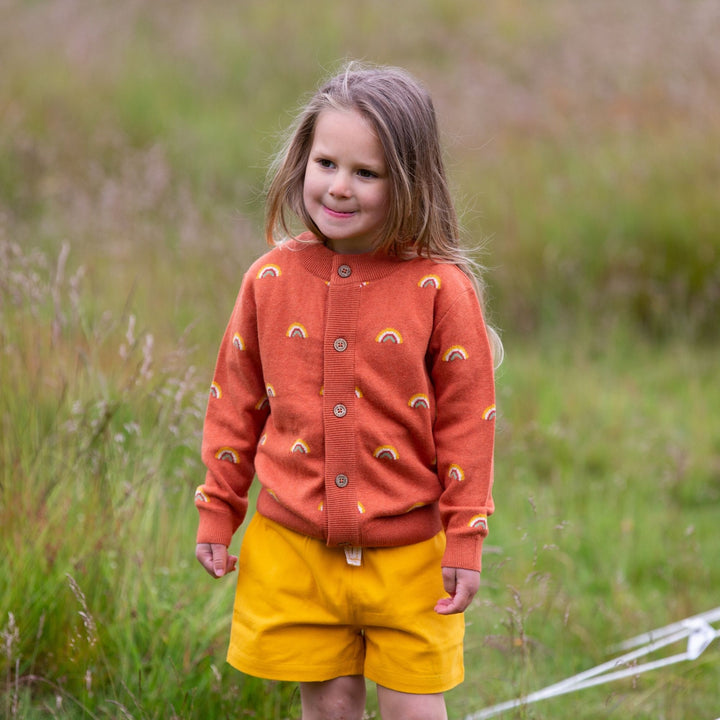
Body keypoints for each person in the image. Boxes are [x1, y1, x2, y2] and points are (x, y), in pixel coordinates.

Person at [195, 62, 500, 720]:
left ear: (410, 182)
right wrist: (219, 511)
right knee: (328, 707)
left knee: (414, 711)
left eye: (366, 173)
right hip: (295, 549)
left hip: (410, 556)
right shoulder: (269, 280)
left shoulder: (441, 289)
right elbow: (235, 406)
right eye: (326, 162)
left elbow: (468, 423)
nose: (339, 186)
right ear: (302, 160)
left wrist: (465, 537)